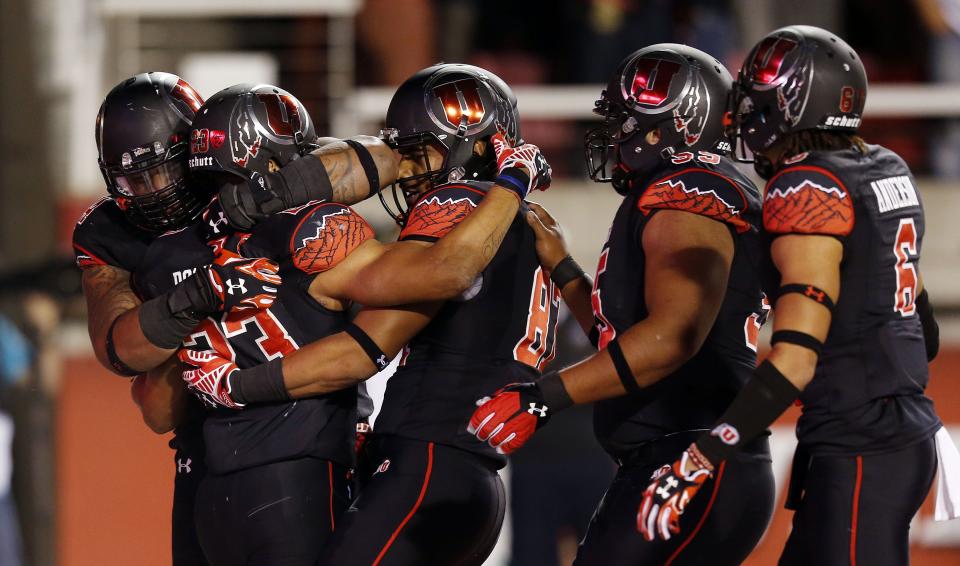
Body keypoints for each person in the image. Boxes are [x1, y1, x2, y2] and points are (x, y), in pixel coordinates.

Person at [180, 63, 556, 565]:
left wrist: (237, 386)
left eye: (421, 153)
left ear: (479, 147)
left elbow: (364, 349)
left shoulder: (460, 203)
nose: (410, 170)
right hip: (475, 478)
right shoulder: (534, 222)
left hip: (425, 464)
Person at [639, 26, 946, 565]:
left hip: (860, 447)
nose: (743, 117)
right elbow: (927, 334)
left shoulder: (806, 188)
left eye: (754, 102)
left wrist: (703, 454)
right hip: (896, 437)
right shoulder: (885, 167)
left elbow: (796, 359)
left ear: (790, 104)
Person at [73, 72, 399, 565]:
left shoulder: (241, 178)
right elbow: (119, 353)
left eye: (158, 173)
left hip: (302, 438)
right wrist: (197, 297)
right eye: (130, 181)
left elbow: (381, 156)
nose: (147, 193)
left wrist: (267, 193)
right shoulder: (110, 234)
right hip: (206, 447)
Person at [467, 45, 775, 565]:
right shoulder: (681, 192)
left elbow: (671, 337)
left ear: (668, 127)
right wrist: (564, 269)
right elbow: (629, 339)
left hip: (691, 455)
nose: (615, 135)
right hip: (678, 455)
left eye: (627, 122)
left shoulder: (685, 193)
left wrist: (543, 397)